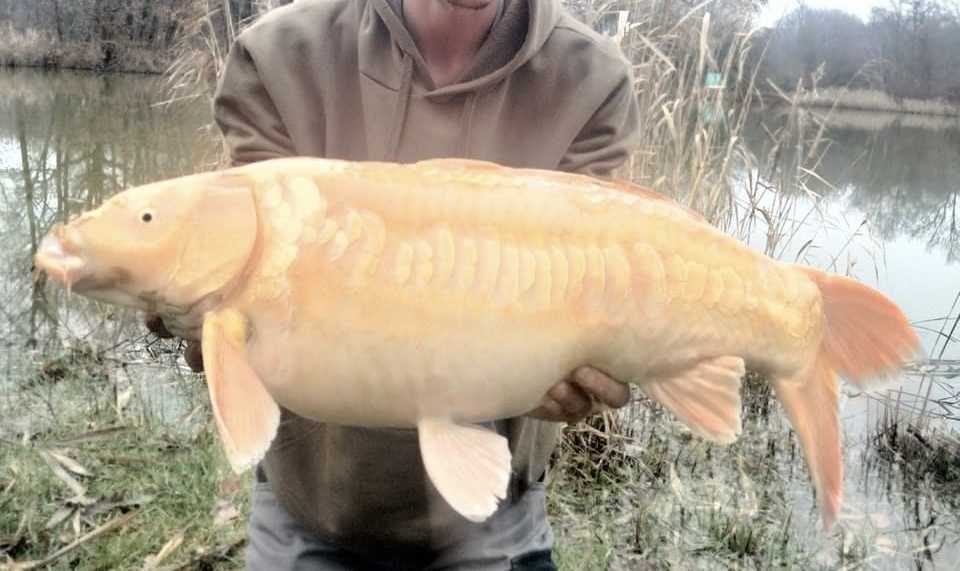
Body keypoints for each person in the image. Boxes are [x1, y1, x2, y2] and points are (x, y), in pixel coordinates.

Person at [153, 0, 641, 568]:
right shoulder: (279, 54)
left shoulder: (592, 77)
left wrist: (591, 351)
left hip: (496, 503)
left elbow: (591, 274)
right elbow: (244, 286)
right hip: (314, 502)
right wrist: (199, 307)